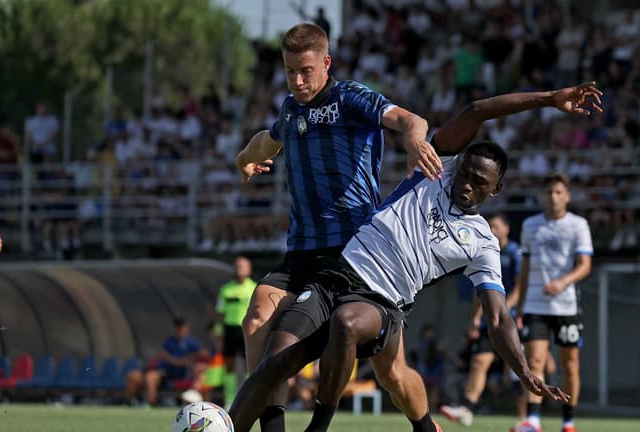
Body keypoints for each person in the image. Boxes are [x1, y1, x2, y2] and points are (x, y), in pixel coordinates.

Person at [229, 83, 603, 432]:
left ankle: (317, 428)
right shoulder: (436, 168)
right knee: (274, 363)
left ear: (496, 190)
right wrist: (551, 97)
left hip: (381, 302)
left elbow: (498, 315)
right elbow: (475, 111)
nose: (468, 185)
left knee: (347, 323)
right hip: (337, 273)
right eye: (466, 174)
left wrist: (522, 369)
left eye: (480, 183)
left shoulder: (483, 243)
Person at [235, 22, 441, 432]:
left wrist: (416, 141)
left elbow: (409, 119)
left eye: (306, 70)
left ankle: (425, 426)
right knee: (257, 319)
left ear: (325, 63)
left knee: (393, 374)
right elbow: (268, 139)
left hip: (357, 257)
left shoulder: (350, 98)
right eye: (290, 70)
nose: (297, 80)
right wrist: (244, 158)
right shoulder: (290, 109)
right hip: (302, 254)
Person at [513, 173, 594, 432]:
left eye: (558, 192)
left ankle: (568, 421)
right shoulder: (530, 225)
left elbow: (585, 266)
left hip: (566, 306)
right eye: (549, 192)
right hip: (536, 305)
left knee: (569, 364)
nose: (553, 196)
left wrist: (563, 282)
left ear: (567, 196)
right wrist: (522, 304)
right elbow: (524, 268)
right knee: (534, 361)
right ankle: (533, 420)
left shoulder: (578, 225)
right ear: (543, 196)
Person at [440, 214, 525, 426]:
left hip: (511, 320)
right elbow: (481, 291)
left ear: (506, 229)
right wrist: (476, 319)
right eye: (490, 226)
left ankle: (528, 418)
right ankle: (467, 409)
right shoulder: (485, 251)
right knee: (479, 362)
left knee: (516, 371)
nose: (493, 230)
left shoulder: (516, 253)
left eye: (496, 226)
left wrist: (504, 310)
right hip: (490, 321)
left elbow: (519, 288)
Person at [125, 318, 209, 407]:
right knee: (132, 375)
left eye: (182, 328)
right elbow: (161, 354)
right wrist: (171, 359)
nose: (180, 331)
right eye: (178, 328)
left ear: (186, 329)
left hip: (170, 374)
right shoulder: (170, 341)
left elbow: (204, 354)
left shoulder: (190, 342)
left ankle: (150, 403)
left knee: (151, 377)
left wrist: (184, 360)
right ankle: (129, 402)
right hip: (158, 369)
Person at [215, 256, 257, 406]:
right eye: (237, 266)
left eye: (242, 266)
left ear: (249, 269)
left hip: (247, 330)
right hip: (230, 329)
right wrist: (218, 332)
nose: (239, 268)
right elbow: (220, 312)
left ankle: (247, 399)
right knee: (229, 366)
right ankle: (229, 400)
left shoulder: (255, 288)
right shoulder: (226, 289)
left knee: (249, 365)